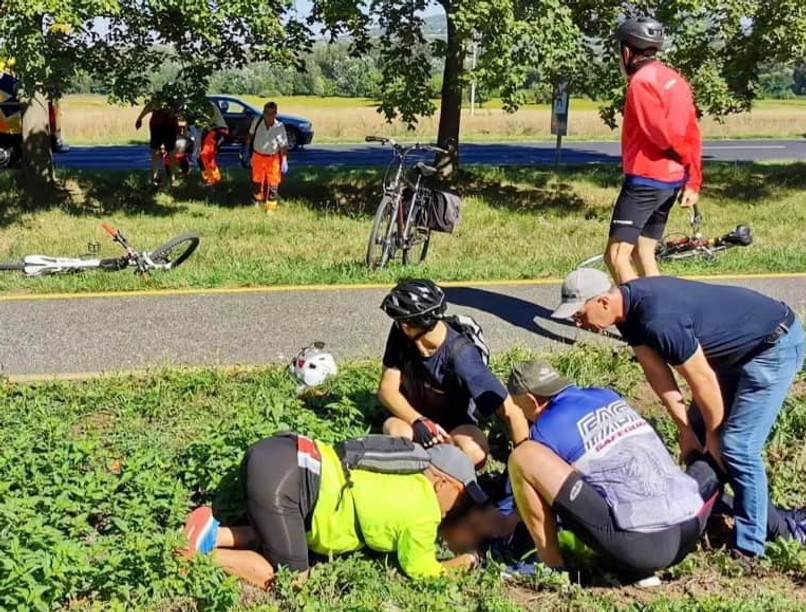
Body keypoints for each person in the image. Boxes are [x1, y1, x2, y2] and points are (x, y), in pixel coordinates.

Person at [553, 268, 805, 561]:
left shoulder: (659, 318)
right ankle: (763, 520)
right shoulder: (627, 312)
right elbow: (657, 373)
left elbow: (703, 381)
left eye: (580, 315)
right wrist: (686, 432)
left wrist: (713, 436)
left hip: (771, 348)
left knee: (736, 445)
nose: (580, 324)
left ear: (603, 302)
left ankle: (750, 548)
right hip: (733, 355)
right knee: (703, 438)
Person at [499, 357, 719, 581]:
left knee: (524, 457)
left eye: (518, 406)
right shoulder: (604, 395)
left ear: (530, 399)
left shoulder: (544, 431)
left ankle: (550, 567)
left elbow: (558, 499)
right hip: (688, 528)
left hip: (644, 547)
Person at [178, 432, 487, 588]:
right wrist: (463, 562)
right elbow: (422, 571)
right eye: (460, 498)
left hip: (280, 451)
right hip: (291, 483)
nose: (455, 509)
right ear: (442, 484)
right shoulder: (424, 510)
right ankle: (194, 556)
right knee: (290, 579)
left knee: (281, 536)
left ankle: (213, 533)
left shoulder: (397, 467)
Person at [378, 279, 530, 466]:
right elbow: (387, 389)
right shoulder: (400, 334)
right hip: (410, 419)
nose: (398, 325)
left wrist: (524, 465)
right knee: (400, 437)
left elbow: (510, 411)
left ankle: (436, 467)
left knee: (475, 452)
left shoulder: (461, 356)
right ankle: (424, 468)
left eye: (400, 321)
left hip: (454, 426)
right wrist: (417, 420)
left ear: (409, 325)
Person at [606, 17, 702, 284]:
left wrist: (682, 160)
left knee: (616, 256)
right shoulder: (674, 78)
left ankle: (638, 320)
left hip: (645, 181)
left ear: (627, 51)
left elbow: (661, 135)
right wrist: (692, 178)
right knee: (643, 250)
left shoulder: (641, 83)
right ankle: (661, 316)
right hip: (671, 182)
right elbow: (692, 131)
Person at [248, 101, 288, 213]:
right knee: (257, 181)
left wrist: (284, 160)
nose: (269, 116)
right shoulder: (257, 122)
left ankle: (270, 208)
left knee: (273, 183)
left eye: (272, 114)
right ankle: (259, 201)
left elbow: (283, 145)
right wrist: (246, 151)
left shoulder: (279, 127)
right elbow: (250, 136)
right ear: (263, 113)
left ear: (276, 114)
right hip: (257, 156)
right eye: (267, 113)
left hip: (272, 158)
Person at [135, 95, 181, 187]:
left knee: (159, 153)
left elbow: (148, 108)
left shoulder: (159, 100)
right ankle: (169, 178)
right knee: (168, 152)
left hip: (161, 127)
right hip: (165, 127)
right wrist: (139, 119)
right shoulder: (174, 101)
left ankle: (158, 178)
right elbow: (180, 114)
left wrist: (139, 119)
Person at [199, 101, 229, 186]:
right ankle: (215, 178)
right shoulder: (206, 105)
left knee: (205, 154)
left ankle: (210, 179)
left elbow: (207, 121)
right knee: (210, 156)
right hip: (215, 131)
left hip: (217, 130)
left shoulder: (208, 106)